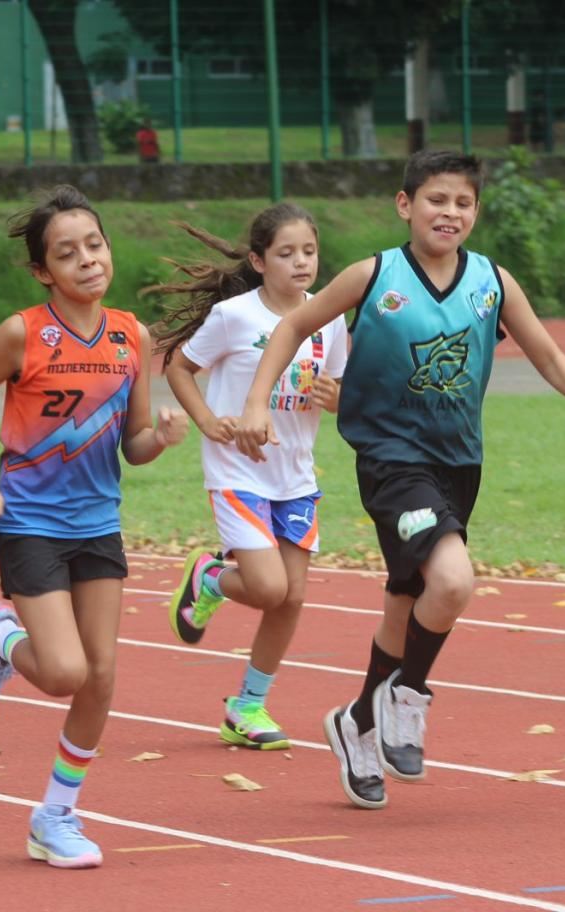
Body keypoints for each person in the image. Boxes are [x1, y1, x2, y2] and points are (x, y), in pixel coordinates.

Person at [234, 150, 565, 810]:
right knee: (453, 581)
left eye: (463, 203)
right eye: (436, 200)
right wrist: (253, 404)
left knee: (406, 607)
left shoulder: (491, 282)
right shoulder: (374, 274)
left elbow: (546, 351)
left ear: (476, 213)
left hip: (458, 465)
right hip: (391, 463)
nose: (450, 212)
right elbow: (293, 324)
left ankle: (356, 723)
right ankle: (408, 697)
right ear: (404, 204)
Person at [0, 185, 187, 868]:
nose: (86, 260)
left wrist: (161, 437)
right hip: (28, 522)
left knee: (101, 678)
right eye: (67, 253)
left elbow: (133, 443)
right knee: (64, 672)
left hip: (97, 523)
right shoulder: (23, 333)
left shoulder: (131, 335)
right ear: (44, 272)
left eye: (95, 245)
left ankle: (56, 815)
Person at [148, 204, 348, 751]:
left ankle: (247, 707)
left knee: (291, 597)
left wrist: (337, 399)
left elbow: (340, 389)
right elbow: (179, 367)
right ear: (259, 261)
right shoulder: (235, 316)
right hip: (239, 471)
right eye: (286, 253)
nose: (301, 262)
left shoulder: (329, 318)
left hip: (296, 476)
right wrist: (209, 422)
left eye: (309, 251)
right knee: (265, 587)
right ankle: (211, 578)